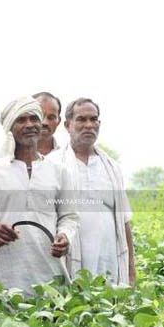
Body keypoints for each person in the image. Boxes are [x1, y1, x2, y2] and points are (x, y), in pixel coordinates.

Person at [0, 96, 78, 295]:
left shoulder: (59, 171)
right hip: (8, 274)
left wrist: (65, 237)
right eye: (21, 120)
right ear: (10, 127)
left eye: (34, 119)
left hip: (50, 271)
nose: (29, 125)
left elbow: (69, 217)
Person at [49, 98, 135, 286]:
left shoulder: (111, 167)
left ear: (99, 123)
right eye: (81, 119)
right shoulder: (52, 163)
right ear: (67, 125)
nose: (88, 125)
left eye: (93, 119)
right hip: (67, 262)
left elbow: (124, 221)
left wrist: (131, 274)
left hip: (109, 261)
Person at [33, 91, 62, 156]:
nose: (44, 122)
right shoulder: (11, 156)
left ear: (59, 121)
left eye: (51, 117)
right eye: (39, 116)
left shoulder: (66, 156)